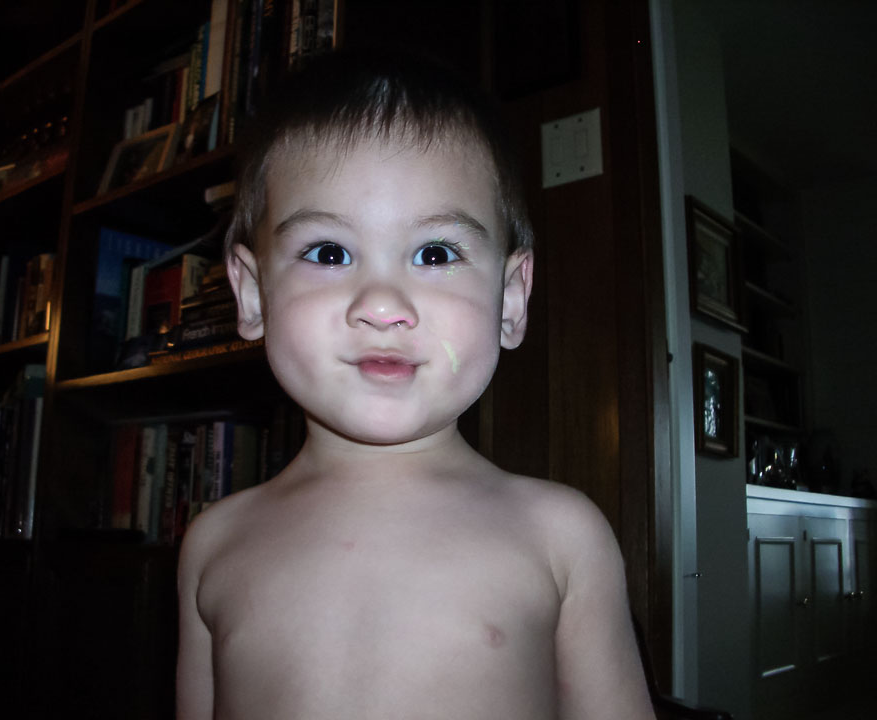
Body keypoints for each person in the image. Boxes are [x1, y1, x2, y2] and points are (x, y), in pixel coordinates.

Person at [176, 50, 655, 720]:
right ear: (253, 293)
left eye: (435, 254)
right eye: (329, 253)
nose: (381, 304)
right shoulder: (213, 543)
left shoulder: (562, 537)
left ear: (510, 300)